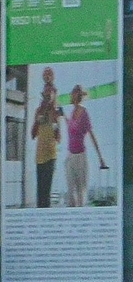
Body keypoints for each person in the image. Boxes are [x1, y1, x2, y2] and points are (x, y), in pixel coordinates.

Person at [64, 85, 109, 207]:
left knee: (80, 192)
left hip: (80, 157)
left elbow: (92, 135)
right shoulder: (72, 112)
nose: (72, 95)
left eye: (75, 93)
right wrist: (63, 116)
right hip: (70, 156)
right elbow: (71, 127)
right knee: (70, 192)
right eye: (73, 92)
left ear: (78, 95)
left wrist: (101, 158)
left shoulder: (84, 112)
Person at [32, 69, 62, 208]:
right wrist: (38, 120)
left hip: (51, 155)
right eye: (46, 92)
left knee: (47, 192)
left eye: (51, 92)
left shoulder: (56, 112)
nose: (48, 94)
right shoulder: (38, 111)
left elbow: (59, 138)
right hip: (39, 156)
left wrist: (56, 122)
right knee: (40, 192)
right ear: (43, 93)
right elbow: (33, 134)